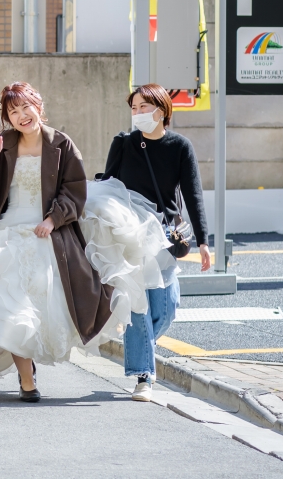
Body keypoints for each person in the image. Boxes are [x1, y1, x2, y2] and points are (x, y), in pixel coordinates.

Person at [0, 82, 167, 402]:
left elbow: (75, 191)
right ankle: (26, 378)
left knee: (34, 305)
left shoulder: (62, 144)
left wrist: (52, 219)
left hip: (51, 234)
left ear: (38, 106)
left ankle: (28, 370)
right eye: (12, 112)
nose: (21, 116)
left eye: (25, 108)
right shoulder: (3, 143)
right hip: (6, 232)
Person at [103, 83, 210, 402]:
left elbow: (193, 193)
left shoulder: (180, 146)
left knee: (167, 307)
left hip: (163, 234)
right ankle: (143, 378)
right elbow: (107, 186)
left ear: (162, 111)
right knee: (139, 302)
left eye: (144, 108)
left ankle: (138, 346)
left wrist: (203, 241)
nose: (137, 114)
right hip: (129, 232)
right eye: (133, 108)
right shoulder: (124, 143)